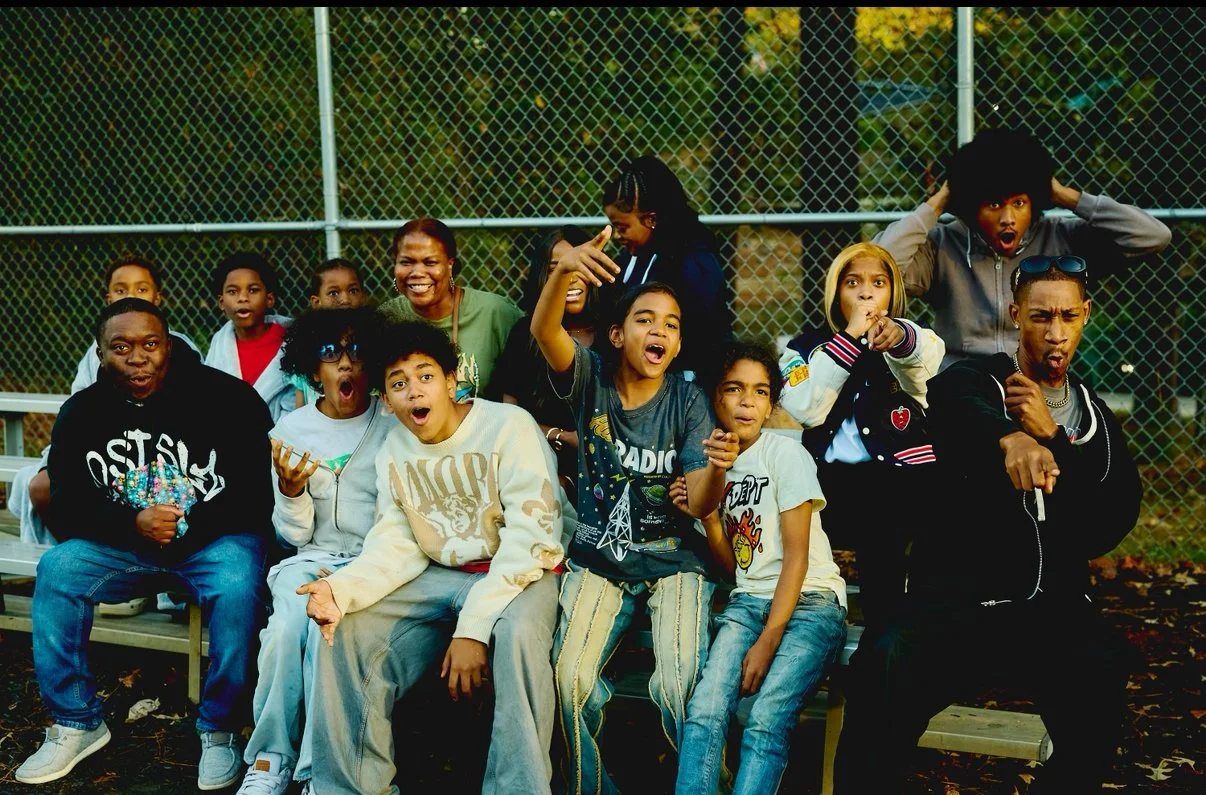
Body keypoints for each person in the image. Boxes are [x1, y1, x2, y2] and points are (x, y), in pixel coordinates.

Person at [833, 256, 1142, 793]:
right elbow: (955, 407)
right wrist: (1013, 438)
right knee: (883, 663)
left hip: (1049, 610)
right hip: (958, 607)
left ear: (1085, 316)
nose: (1055, 333)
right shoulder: (977, 380)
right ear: (1015, 313)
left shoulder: (1092, 420)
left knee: (1102, 670)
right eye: (1041, 317)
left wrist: (1053, 441)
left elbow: (1107, 519)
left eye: (1068, 317)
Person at [297, 320, 568, 795]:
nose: (414, 392)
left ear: (451, 380)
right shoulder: (394, 447)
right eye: (398, 384)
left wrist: (472, 629)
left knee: (520, 636)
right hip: (438, 573)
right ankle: (351, 787)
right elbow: (396, 543)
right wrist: (341, 590)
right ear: (385, 398)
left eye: (425, 376)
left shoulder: (509, 427)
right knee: (342, 629)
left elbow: (532, 540)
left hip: (520, 572)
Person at [14, 298, 274, 790]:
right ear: (100, 353)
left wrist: (183, 529)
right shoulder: (82, 412)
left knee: (238, 581)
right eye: (122, 347)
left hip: (212, 540)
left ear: (169, 346)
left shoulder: (228, 398)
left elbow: (256, 497)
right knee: (59, 570)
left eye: (150, 344)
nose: (138, 357)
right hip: (128, 545)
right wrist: (133, 523)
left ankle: (219, 728)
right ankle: (76, 721)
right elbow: (67, 503)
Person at [532, 227, 739, 795]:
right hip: (599, 561)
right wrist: (564, 272)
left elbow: (699, 503)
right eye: (648, 319)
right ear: (618, 334)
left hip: (675, 564)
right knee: (569, 683)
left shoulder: (688, 401)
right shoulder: (589, 377)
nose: (662, 332)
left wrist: (718, 468)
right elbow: (543, 329)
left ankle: (706, 786)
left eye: (672, 325)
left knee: (679, 688)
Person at [676, 341, 847, 795]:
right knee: (706, 709)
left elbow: (796, 558)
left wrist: (770, 638)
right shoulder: (710, 466)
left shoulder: (784, 455)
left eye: (760, 392)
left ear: (771, 403)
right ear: (716, 397)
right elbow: (738, 568)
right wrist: (709, 515)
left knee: (766, 717)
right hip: (748, 601)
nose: (748, 401)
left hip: (810, 602)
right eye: (735, 389)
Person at [235, 307, 392, 795]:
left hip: (373, 567)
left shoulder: (395, 425)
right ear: (312, 367)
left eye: (357, 351)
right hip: (310, 559)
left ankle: (316, 770)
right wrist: (291, 490)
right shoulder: (289, 432)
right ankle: (269, 759)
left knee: (329, 638)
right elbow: (295, 536)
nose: (345, 364)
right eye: (331, 353)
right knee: (284, 631)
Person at [875, 127, 1171, 369]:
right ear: (971, 205)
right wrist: (938, 203)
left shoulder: (1063, 238)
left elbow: (1152, 236)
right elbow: (877, 266)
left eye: (1019, 203)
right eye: (994, 204)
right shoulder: (944, 244)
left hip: (1040, 383)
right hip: (960, 389)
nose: (1008, 219)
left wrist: (1064, 194)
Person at [777, 242, 944, 627]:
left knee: (884, 528)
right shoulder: (803, 349)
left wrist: (899, 338)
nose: (866, 292)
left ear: (893, 293)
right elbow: (806, 408)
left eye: (878, 283)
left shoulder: (914, 340)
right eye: (853, 282)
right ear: (837, 292)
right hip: (829, 485)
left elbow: (922, 372)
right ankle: (805, 625)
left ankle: (883, 638)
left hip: (900, 483)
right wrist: (850, 337)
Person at [10, 256, 200, 559]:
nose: (131, 297)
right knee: (41, 486)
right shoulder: (98, 349)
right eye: (121, 290)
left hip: (160, 452)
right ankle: (91, 556)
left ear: (158, 297)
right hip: (104, 448)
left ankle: (156, 575)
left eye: (142, 289)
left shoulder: (178, 346)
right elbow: (80, 408)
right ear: (108, 297)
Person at [599, 155, 731, 373]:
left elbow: (706, 337)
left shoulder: (693, 262)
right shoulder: (628, 259)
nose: (617, 235)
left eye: (622, 227)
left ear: (651, 219)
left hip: (685, 379)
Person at [378, 217, 523, 401]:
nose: (417, 272)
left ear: (450, 265)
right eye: (406, 262)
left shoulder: (495, 313)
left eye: (430, 262)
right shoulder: (386, 319)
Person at [497, 225, 596, 484]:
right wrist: (561, 436)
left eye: (580, 265)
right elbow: (510, 415)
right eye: (557, 269)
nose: (571, 277)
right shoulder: (525, 334)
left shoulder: (617, 330)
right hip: (539, 464)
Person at [205, 252, 295, 421]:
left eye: (253, 290)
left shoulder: (292, 341)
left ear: (269, 299)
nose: (243, 298)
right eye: (233, 292)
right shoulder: (219, 346)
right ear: (221, 302)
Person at [289, 258, 372, 408]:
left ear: (363, 296)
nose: (345, 299)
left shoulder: (372, 337)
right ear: (316, 302)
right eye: (334, 293)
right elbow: (300, 409)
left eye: (353, 290)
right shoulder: (308, 345)